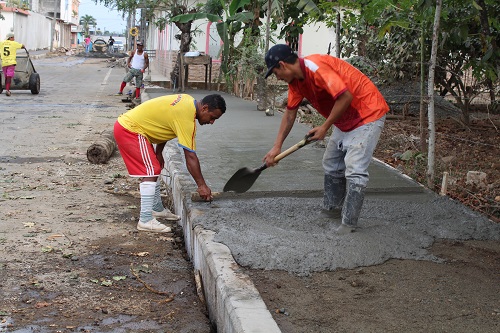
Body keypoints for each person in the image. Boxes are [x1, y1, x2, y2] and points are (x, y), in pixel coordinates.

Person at [263, 44, 389, 234]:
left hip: (367, 112)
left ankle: (349, 224)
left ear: (283, 65)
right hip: (344, 118)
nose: (277, 78)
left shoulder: (316, 67)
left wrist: (325, 126)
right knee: (331, 163)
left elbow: (345, 97)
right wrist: (276, 147)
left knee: (355, 168)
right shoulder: (295, 83)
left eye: (275, 73)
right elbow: (289, 114)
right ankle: (332, 210)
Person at [113, 93, 226, 233]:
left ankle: (156, 209)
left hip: (132, 127)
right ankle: (145, 219)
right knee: (151, 170)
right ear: (204, 108)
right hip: (130, 129)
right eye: (213, 117)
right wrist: (202, 185)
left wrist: (159, 152)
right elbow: (190, 156)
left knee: (155, 166)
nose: (212, 122)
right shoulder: (187, 117)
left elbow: (165, 124)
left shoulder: (187, 101)